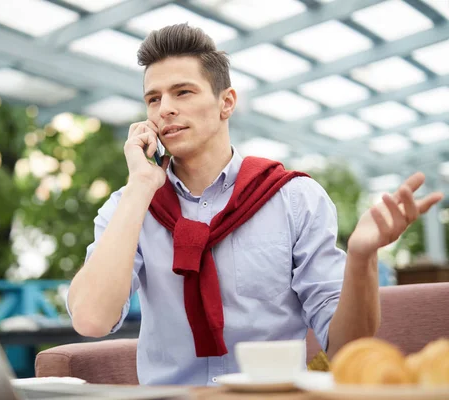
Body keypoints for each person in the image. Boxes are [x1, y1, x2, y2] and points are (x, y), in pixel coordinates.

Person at [65, 23, 444, 386]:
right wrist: (140, 187)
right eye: (153, 98)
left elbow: (347, 346)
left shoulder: (294, 199)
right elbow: (91, 320)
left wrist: (362, 257)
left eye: (183, 92)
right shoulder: (131, 205)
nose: (164, 109)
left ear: (226, 102)